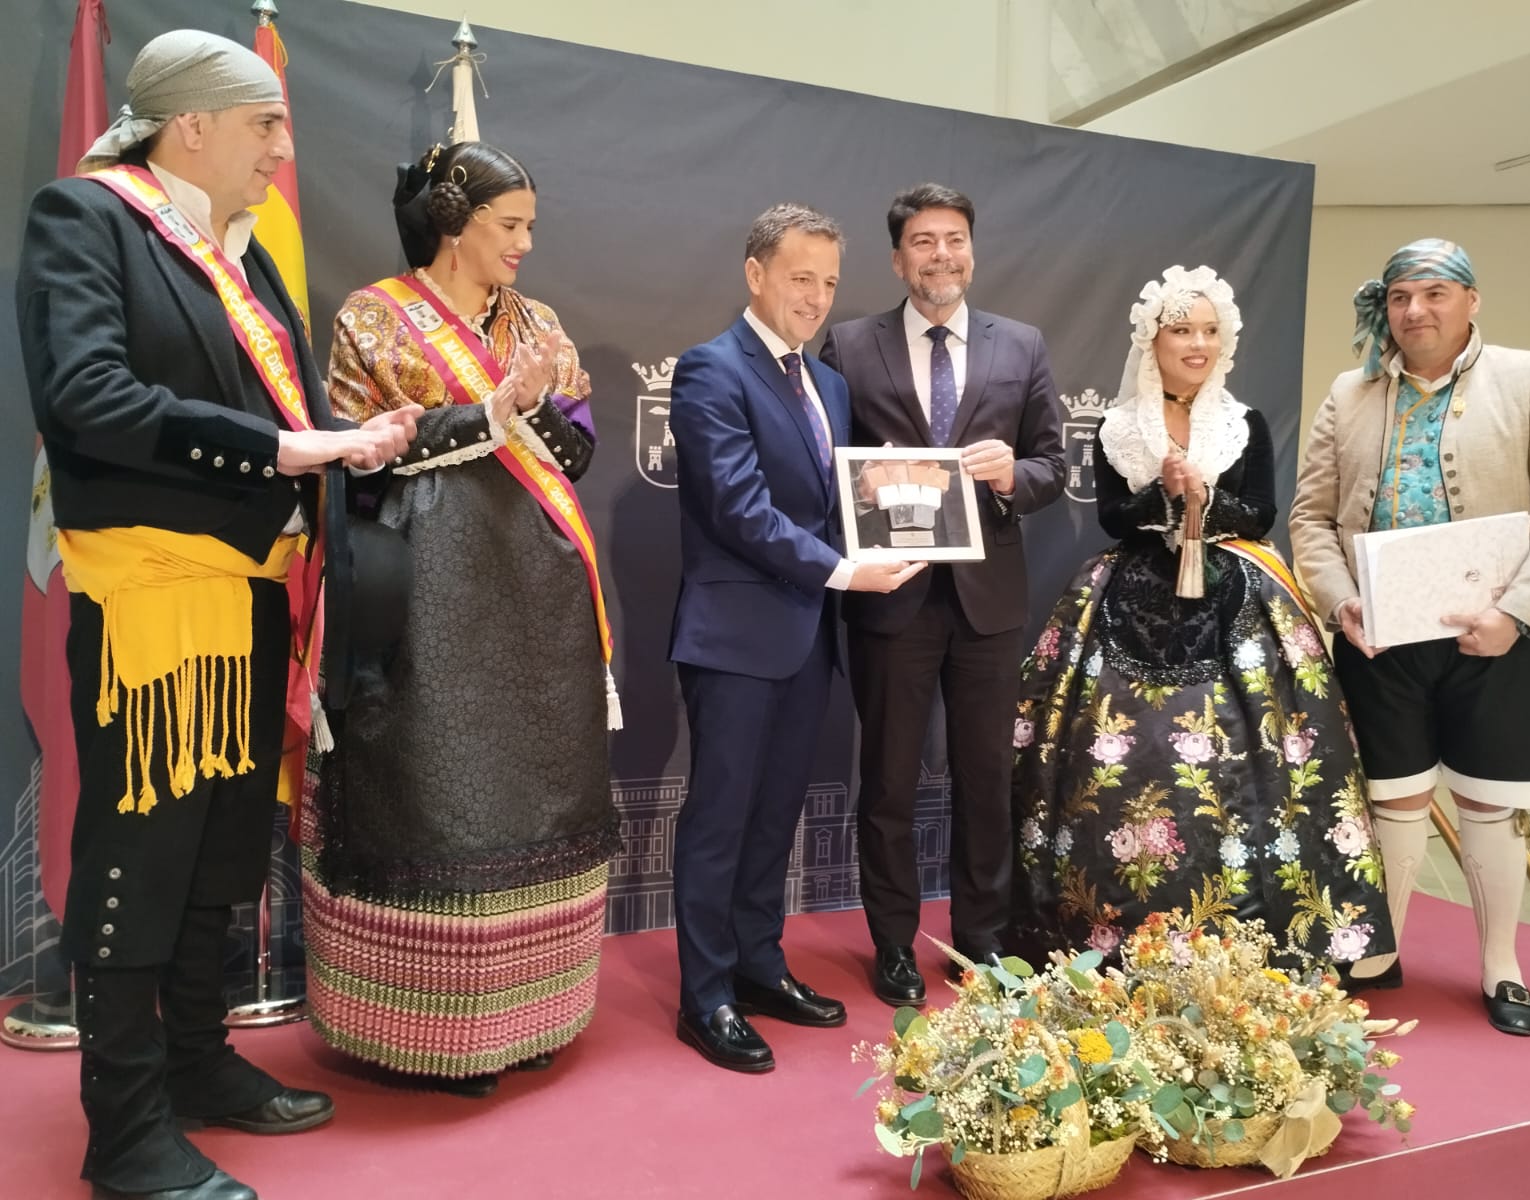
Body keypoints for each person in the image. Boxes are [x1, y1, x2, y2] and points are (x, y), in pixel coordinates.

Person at [15, 30, 418, 1200]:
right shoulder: (85, 216)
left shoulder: (243, 257)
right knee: (142, 857)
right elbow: (88, 397)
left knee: (224, 848)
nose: (283, 149)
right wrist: (287, 450)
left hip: (249, 595)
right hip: (154, 605)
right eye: (265, 125)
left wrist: (352, 444)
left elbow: (283, 418)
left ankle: (197, 1062)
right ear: (188, 125)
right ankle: (124, 1127)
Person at [301, 141, 619, 1095]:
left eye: (530, 226)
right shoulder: (374, 317)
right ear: (454, 221)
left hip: (539, 582)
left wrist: (533, 405)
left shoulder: (539, 323)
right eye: (509, 224)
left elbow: (577, 456)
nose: (525, 243)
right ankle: (429, 1032)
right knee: (436, 780)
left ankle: (535, 1015)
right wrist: (487, 410)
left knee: (540, 781)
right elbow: (358, 452)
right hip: (427, 578)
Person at [1009, 266, 1394, 973]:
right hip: (1130, 592)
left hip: (1237, 590)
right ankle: (1107, 926)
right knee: (1126, 749)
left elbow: (1262, 512)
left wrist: (1204, 501)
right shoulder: (1119, 427)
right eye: (1182, 330)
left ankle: (1257, 934)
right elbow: (1114, 518)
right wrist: (1164, 493)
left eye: (1210, 331)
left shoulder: (1243, 423)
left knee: (1264, 753)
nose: (1198, 344)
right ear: (1151, 342)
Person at [1288, 239, 1530, 1035]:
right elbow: (1311, 518)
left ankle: (1501, 967)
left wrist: (1516, 614)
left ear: (1471, 300)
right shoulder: (1349, 394)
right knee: (1391, 801)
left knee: (1489, 806)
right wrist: (1340, 601)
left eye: (1433, 293)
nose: (1415, 310)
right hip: (1380, 641)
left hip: (1498, 635)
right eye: (1399, 297)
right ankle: (1376, 955)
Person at [668, 203, 922, 1071]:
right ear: (756, 274)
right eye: (799, 277)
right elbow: (739, 509)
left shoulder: (828, 384)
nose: (815, 297)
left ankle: (758, 965)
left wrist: (892, 515)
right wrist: (846, 571)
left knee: (775, 813)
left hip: (809, 636)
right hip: (735, 636)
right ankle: (705, 996)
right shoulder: (710, 369)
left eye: (829, 283)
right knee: (720, 818)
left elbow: (831, 502)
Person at [819, 183, 1066, 1006]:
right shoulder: (849, 345)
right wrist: (862, 489)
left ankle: (982, 941)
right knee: (889, 781)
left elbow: (1054, 465)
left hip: (988, 602)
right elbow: (823, 463)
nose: (941, 255)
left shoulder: (1020, 345)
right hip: (891, 595)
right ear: (898, 260)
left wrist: (1013, 476)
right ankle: (893, 943)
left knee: (986, 780)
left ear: (972, 250)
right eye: (923, 242)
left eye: (954, 238)